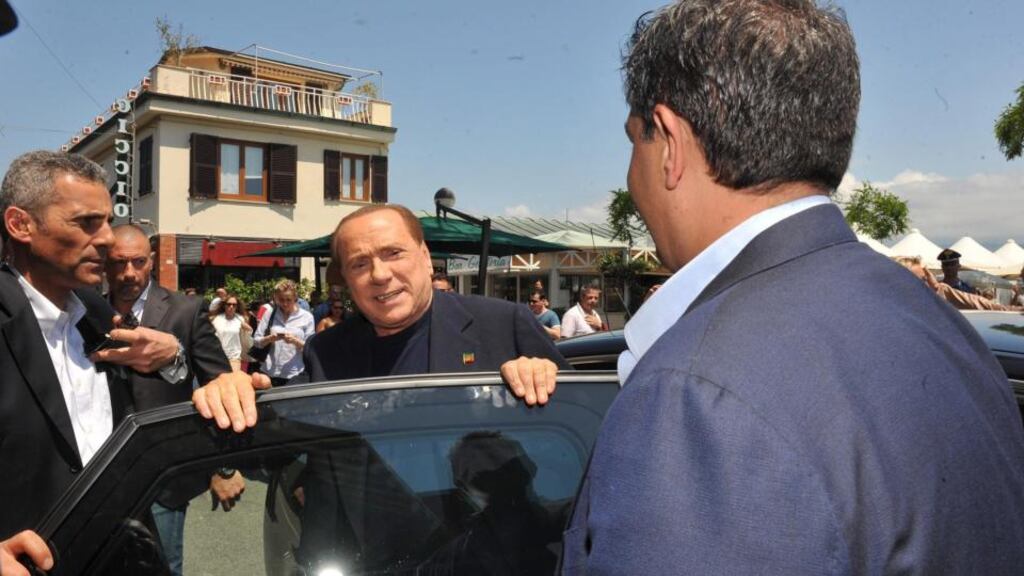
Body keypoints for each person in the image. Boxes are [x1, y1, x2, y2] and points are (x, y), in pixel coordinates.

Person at [562, 3, 1024, 574]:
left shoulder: (696, 398)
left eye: (636, 141)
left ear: (672, 145)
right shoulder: (940, 326)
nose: (630, 176)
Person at [0, 151, 265, 576]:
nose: (106, 239)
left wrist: (182, 362)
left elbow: (156, 378)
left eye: (106, 221)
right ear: (20, 225)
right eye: (87, 222)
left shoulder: (94, 313)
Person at [301, 204, 567, 405]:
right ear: (347, 280)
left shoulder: (503, 326)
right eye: (359, 264)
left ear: (426, 258)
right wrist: (258, 392)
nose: (379, 274)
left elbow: (580, 422)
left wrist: (541, 376)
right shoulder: (324, 353)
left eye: (393, 253)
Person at [105, 223, 252, 575]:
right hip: (102, 477)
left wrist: (224, 465)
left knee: (164, 567)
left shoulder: (186, 311)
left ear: (152, 262)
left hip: (162, 478)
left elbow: (219, 386)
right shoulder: (86, 311)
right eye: (119, 262)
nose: (129, 272)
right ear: (105, 263)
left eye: (138, 262)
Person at [895, 256, 1023, 312]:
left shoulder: (943, 290)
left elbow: (982, 305)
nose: (949, 268)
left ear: (958, 266)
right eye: (946, 264)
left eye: (952, 264)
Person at [253, 279, 315, 387]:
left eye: (289, 300)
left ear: (295, 298)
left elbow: (311, 348)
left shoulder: (307, 317)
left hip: (294, 373)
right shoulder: (270, 314)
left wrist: (295, 341)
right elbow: (256, 341)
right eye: (281, 300)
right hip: (269, 371)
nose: (285, 303)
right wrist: (269, 339)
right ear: (276, 298)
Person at [211, 293, 252, 371]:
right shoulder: (216, 319)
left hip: (234, 357)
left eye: (234, 305)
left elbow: (246, 336)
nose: (231, 307)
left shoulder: (240, 319)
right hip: (218, 356)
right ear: (224, 305)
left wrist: (249, 330)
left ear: (237, 307)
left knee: (233, 380)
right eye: (229, 304)